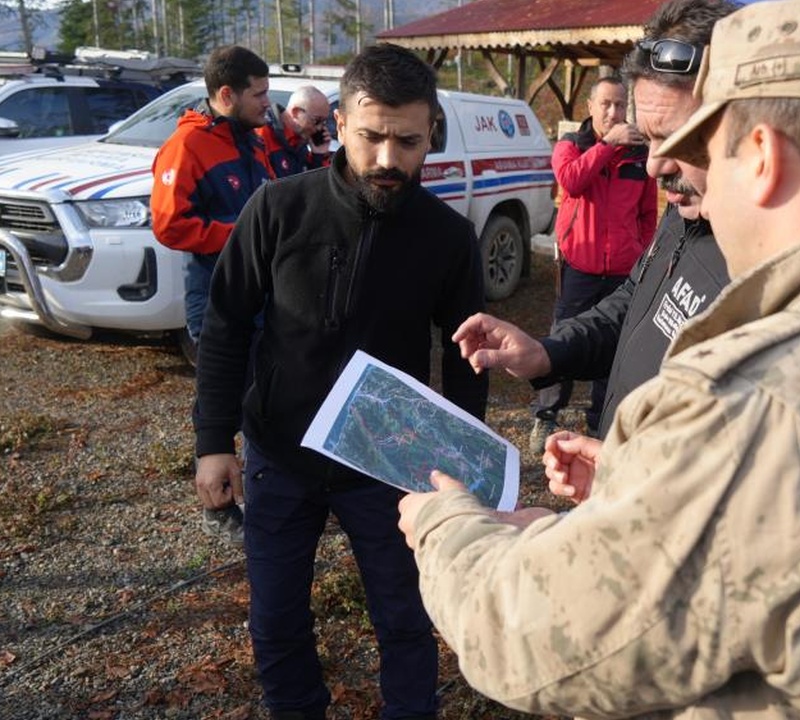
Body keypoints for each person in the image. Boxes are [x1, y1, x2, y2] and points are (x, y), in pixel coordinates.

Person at [398, 0, 800, 717]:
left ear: (761, 156)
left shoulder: (763, 397)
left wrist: (447, 525)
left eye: (702, 147)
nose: (668, 168)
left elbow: (530, 639)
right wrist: (652, 478)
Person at [193, 44, 487, 720]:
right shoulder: (276, 209)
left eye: (408, 141)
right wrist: (214, 440)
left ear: (431, 133)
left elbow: (467, 356)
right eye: (372, 136)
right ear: (341, 126)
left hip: (388, 466)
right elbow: (228, 323)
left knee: (406, 618)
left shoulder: (447, 238)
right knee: (275, 621)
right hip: (280, 454)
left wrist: (461, 466)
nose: (389, 158)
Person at [453, 0, 735, 442]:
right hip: (583, 270)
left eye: (676, 138)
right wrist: (546, 353)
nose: (654, 166)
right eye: (650, 137)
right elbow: (634, 304)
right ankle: (547, 411)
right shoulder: (680, 206)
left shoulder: (762, 265)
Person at [533, 75, 658, 448]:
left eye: (620, 104)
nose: (613, 111)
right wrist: (605, 145)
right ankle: (545, 416)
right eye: (605, 104)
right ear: (590, 107)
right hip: (579, 269)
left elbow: (648, 213)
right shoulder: (571, 145)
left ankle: (600, 422)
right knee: (564, 340)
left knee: (615, 348)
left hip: (623, 272)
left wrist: (639, 250)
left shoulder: (639, 154)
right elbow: (571, 182)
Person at [151, 45, 275, 359]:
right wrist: (241, 238)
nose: (267, 103)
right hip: (215, 303)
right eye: (259, 94)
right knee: (223, 403)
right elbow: (170, 226)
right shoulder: (186, 146)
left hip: (260, 299)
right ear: (227, 95)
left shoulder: (252, 140)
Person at [258, 84, 334, 178]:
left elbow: (312, 184)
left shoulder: (301, 140)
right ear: (296, 113)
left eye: (324, 122)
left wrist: (318, 155)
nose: (319, 128)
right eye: (316, 121)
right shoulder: (263, 134)